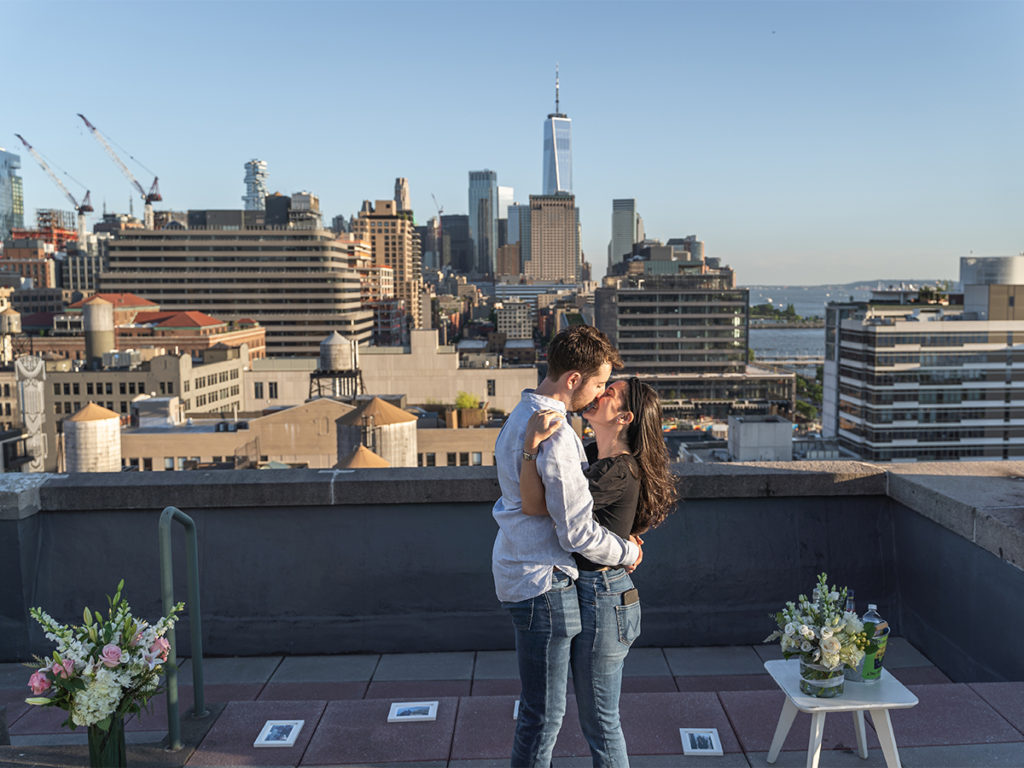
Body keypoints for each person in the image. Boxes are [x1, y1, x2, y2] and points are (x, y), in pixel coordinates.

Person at [492, 326, 643, 768]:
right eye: (598, 383)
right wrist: (628, 552)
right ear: (573, 379)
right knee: (545, 718)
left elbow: (529, 505)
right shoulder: (557, 435)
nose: (598, 394)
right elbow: (576, 533)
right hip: (546, 581)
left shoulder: (519, 416)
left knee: (541, 713)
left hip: (523, 570)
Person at [520, 377, 677, 767]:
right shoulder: (593, 453)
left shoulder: (618, 470)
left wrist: (529, 447)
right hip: (597, 591)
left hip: (604, 596)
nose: (599, 392)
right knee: (594, 719)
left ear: (624, 417)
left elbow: (551, 504)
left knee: (601, 722)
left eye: (610, 392)